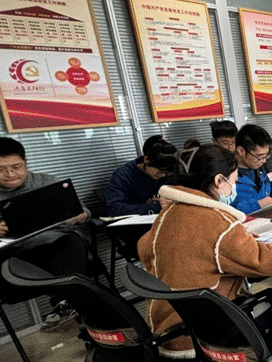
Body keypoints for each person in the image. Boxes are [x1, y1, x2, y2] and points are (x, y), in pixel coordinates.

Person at [138, 144, 272, 357]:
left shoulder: (168, 214)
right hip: (205, 335)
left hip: (167, 328)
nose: (234, 187)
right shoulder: (217, 221)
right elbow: (266, 262)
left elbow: (145, 247)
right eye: (234, 180)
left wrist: (232, 241)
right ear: (218, 181)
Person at [0, 137, 95, 329]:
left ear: (26, 163)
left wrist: (79, 216)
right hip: (16, 254)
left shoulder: (47, 182)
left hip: (58, 246)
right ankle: (68, 301)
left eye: (16, 167)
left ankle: (66, 302)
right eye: (1, 169)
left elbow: (84, 212)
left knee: (71, 243)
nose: (10, 174)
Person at [104, 136, 177, 216]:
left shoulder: (170, 172)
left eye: (167, 173)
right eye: (160, 171)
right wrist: (157, 206)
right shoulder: (123, 175)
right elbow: (114, 208)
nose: (163, 175)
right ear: (146, 159)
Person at [230, 124, 272, 214]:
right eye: (260, 156)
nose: (264, 161)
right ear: (241, 151)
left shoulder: (259, 169)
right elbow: (226, 211)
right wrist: (257, 205)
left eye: (266, 156)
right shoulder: (227, 175)